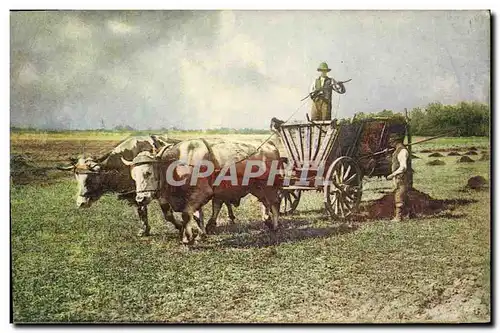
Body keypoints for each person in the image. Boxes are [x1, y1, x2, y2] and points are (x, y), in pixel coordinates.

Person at [386, 133, 413, 222]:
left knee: (399, 195)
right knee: (405, 195)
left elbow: (403, 167)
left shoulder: (402, 151)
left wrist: (392, 175)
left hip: (403, 177)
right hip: (400, 177)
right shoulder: (397, 150)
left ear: (396, 142)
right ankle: (411, 214)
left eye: (391, 142)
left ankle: (398, 217)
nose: (390, 144)